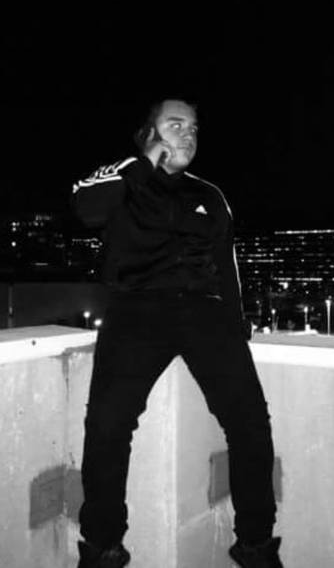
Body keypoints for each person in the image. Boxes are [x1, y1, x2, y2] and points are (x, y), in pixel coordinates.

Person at [71, 99, 284, 568]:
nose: (188, 133)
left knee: (250, 423)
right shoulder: (123, 178)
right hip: (136, 309)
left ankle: (255, 544)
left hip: (206, 312)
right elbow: (87, 208)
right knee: (107, 426)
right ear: (149, 132)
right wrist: (145, 161)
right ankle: (103, 546)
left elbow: (226, 263)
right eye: (175, 124)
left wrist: (235, 322)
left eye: (193, 127)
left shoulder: (209, 193)